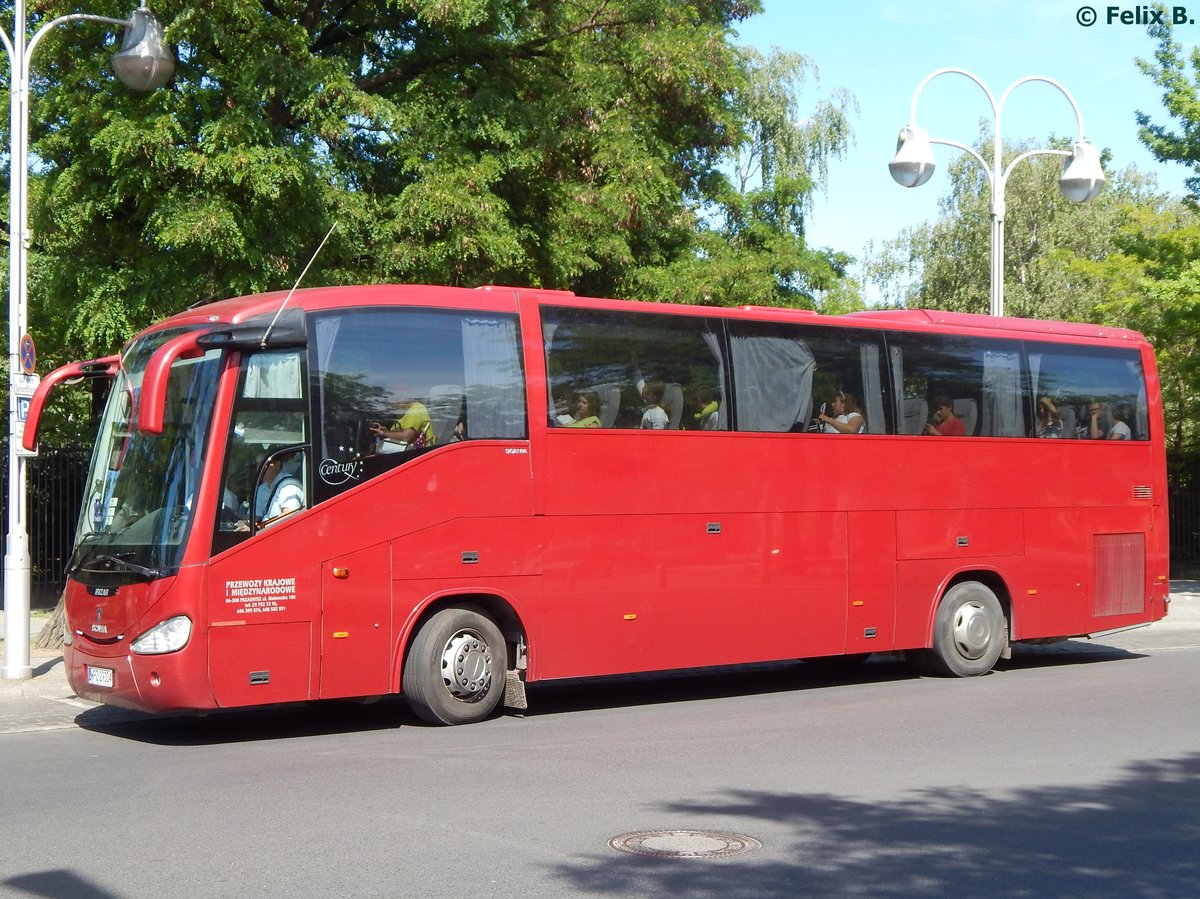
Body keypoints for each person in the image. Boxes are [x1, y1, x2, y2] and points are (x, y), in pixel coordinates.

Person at [370, 397, 435, 450]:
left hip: (419, 456)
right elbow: (400, 437)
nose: (393, 404)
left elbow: (406, 437)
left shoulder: (416, 409)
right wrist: (388, 434)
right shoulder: (400, 413)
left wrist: (384, 434)